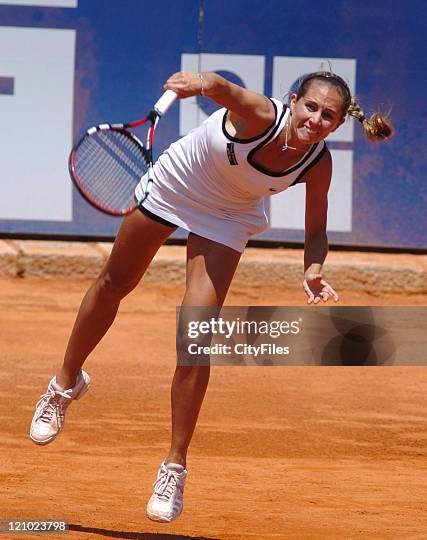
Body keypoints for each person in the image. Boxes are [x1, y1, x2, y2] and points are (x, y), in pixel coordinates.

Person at [29, 70, 393, 522]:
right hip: (180, 181)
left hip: (229, 213)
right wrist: (199, 82)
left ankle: (174, 466)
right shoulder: (261, 116)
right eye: (311, 107)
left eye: (328, 116)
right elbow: (227, 90)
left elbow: (316, 229)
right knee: (114, 283)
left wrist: (313, 269)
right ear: (294, 101)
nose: (316, 119)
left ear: (337, 126)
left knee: (196, 336)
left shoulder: (317, 163)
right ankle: (65, 382)